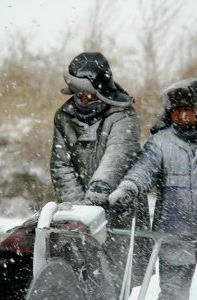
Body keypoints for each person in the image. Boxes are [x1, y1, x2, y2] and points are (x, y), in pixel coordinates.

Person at [108, 78, 197, 299]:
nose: (182, 118)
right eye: (176, 112)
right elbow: (144, 169)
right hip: (174, 236)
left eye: (188, 111)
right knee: (172, 295)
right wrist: (128, 188)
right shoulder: (160, 143)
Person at [50, 52, 151, 286]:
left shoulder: (123, 116)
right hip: (79, 213)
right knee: (81, 273)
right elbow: (61, 165)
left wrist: (96, 197)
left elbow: (116, 158)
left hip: (120, 209)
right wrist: (78, 208)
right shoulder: (64, 117)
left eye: (90, 96)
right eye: (78, 95)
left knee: (117, 276)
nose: (83, 101)